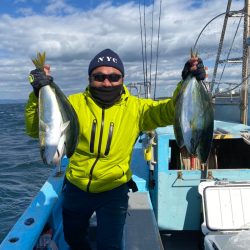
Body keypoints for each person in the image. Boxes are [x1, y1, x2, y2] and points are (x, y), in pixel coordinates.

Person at [25, 48, 205, 250]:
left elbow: (172, 111)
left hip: (114, 190)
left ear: (123, 78)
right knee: (73, 238)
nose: (106, 82)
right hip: (76, 188)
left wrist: (187, 82)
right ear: (89, 78)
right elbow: (36, 131)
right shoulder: (72, 104)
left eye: (114, 77)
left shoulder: (137, 109)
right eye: (99, 76)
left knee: (110, 245)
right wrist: (37, 93)